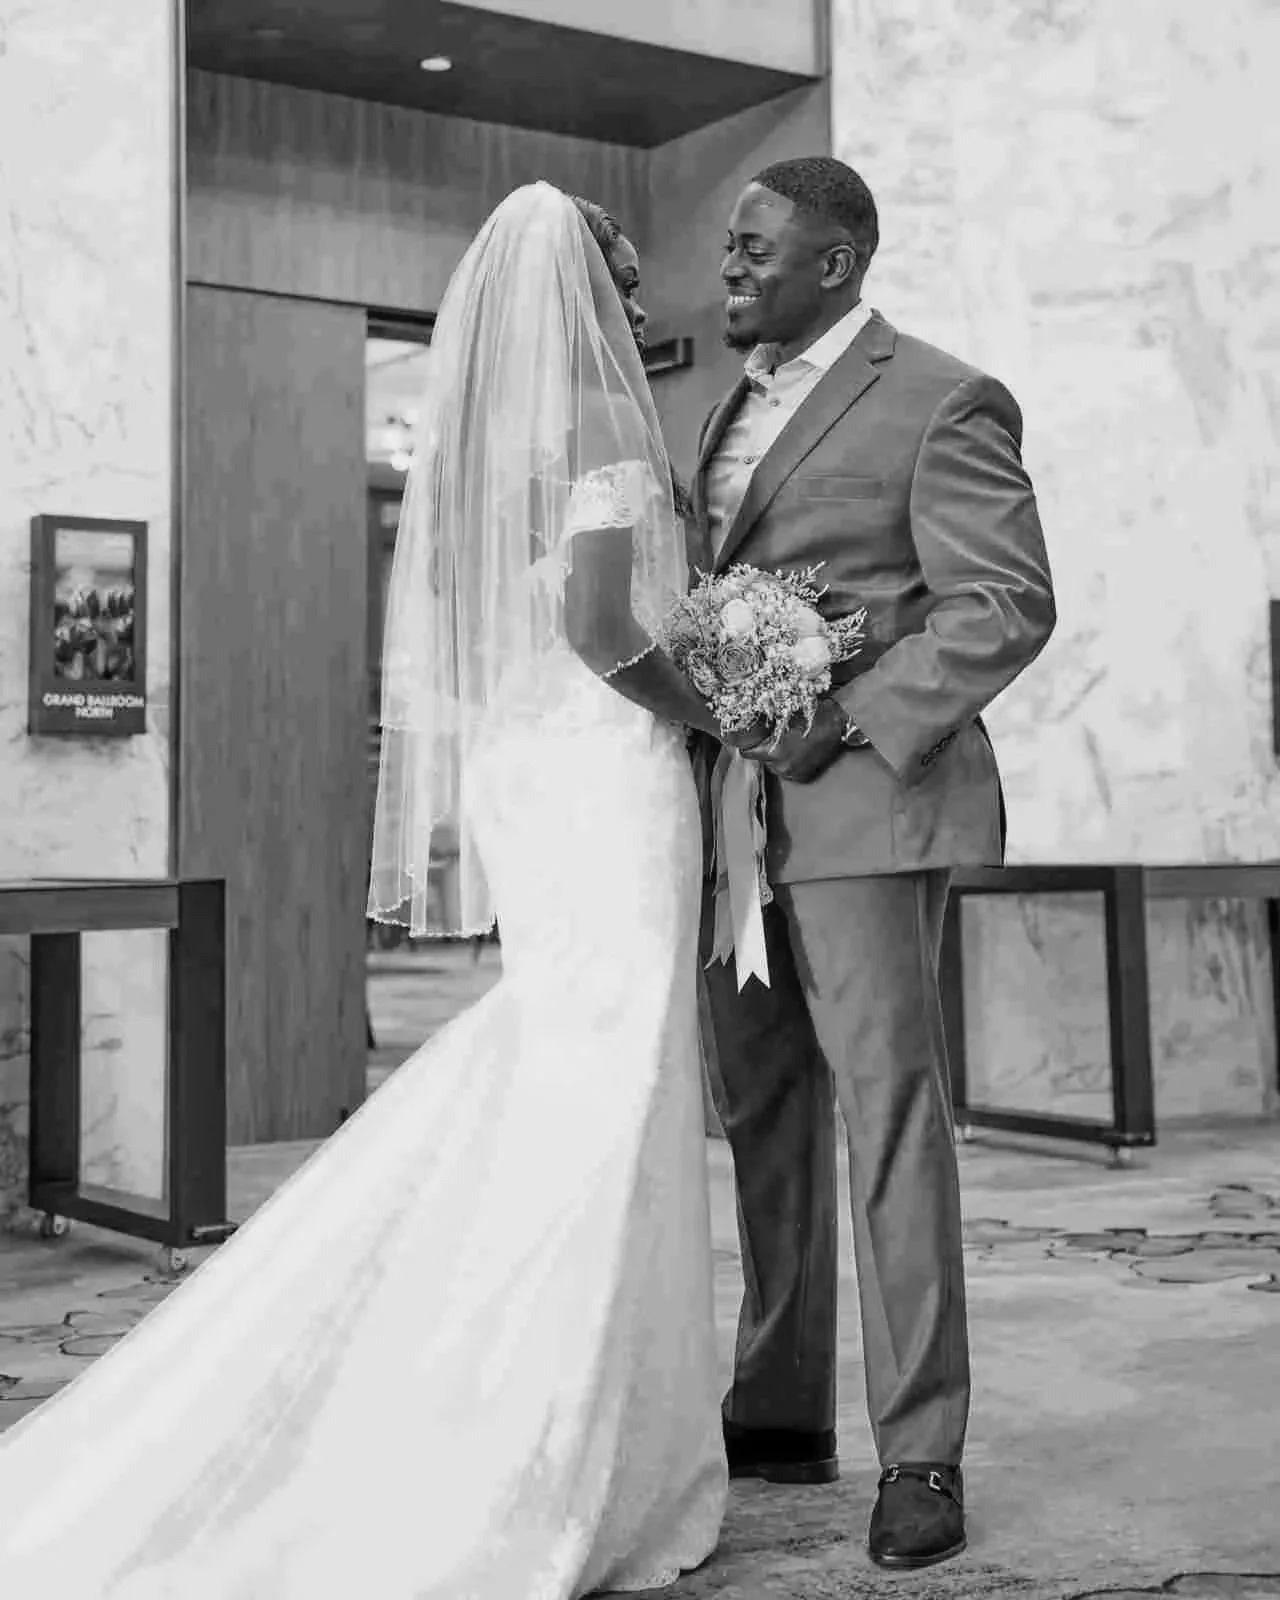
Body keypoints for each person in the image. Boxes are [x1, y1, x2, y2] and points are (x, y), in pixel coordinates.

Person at [0, 183, 727, 1597]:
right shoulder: (599, 424)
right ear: (573, 293)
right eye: (619, 285)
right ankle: (546, 1438)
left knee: (569, 1064)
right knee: (614, 1075)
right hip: (606, 771)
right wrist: (704, 699)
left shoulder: (505, 441)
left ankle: (572, 1408)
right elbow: (593, 625)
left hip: (541, 770)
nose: (636, 312)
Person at [693, 155, 1056, 1570]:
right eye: (728, 246)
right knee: (762, 1115)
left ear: (837, 261)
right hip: (738, 824)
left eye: (754, 248)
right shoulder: (726, 408)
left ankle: (922, 1450)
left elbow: (1002, 606)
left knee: (889, 1120)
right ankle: (780, 1406)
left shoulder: (942, 397)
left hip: (869, 813)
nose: (728, 267)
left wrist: (842, 714)